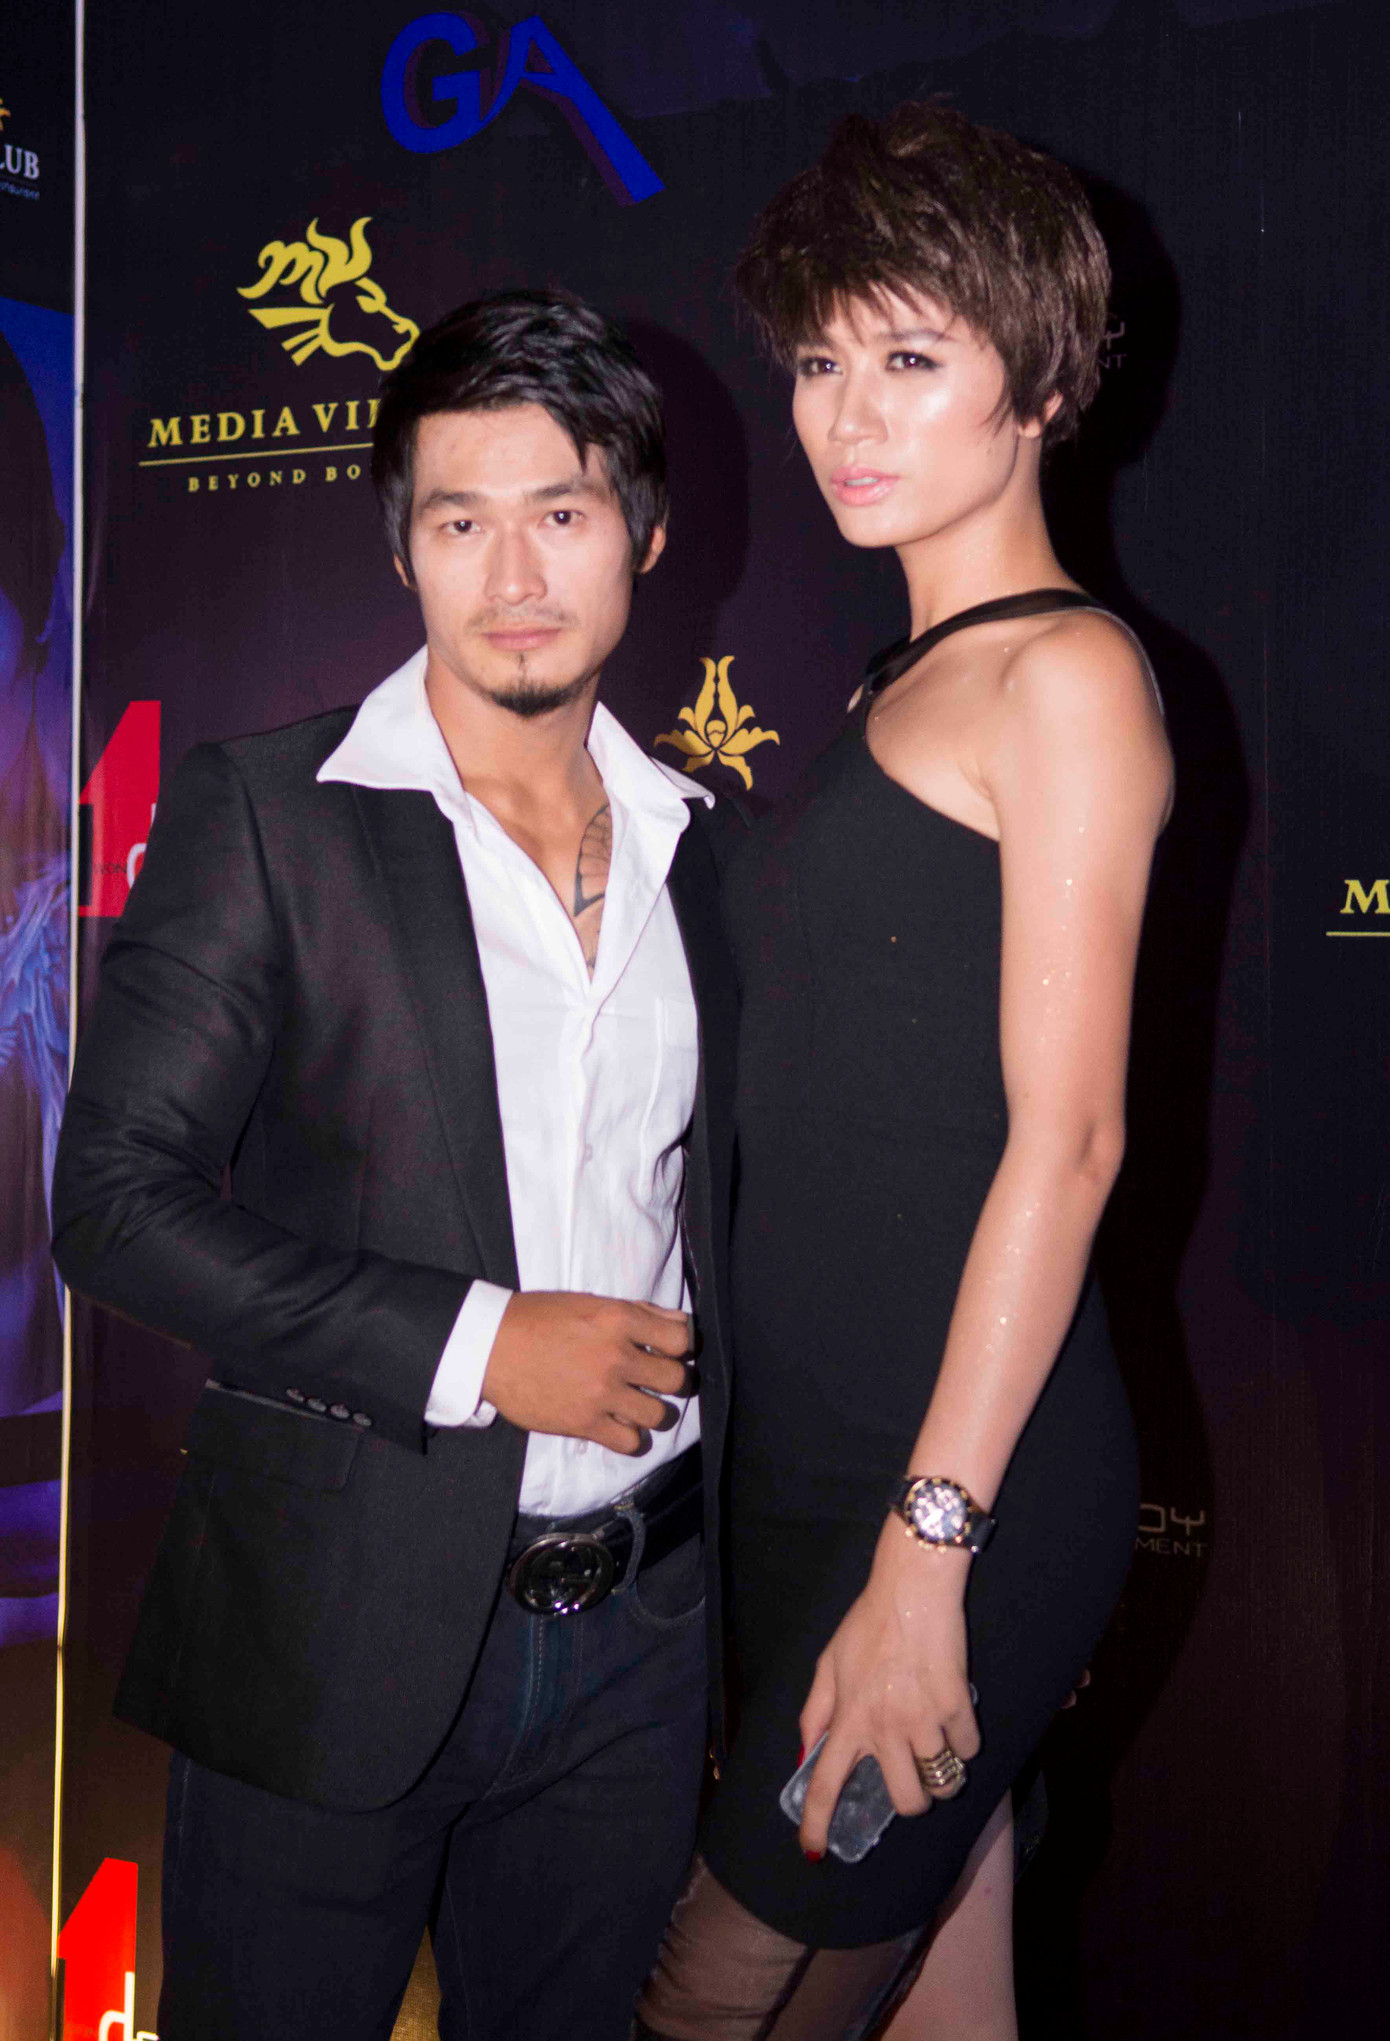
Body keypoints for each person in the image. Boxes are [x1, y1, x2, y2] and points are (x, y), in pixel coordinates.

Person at [52, 289, 742, 2041]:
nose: (511, 575)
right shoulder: (269, 812)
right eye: (458, 521)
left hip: (639, 1642)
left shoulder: (707, 853)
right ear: (402, 549)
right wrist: (479, 1341)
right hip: (326, 1626)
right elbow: (113, 1202)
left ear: (644, 533)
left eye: (560, 512)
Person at [635, 104, 1172, 2040]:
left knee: (712, 2004)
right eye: (816, 362)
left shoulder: (1062, 679)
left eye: (909, 358)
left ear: (1042, 386)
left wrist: (927, 1552)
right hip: (811, 1464)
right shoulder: (899, 681)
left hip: (953, 1485)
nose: (845, 416)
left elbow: (1068, 1141)